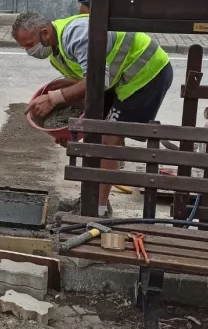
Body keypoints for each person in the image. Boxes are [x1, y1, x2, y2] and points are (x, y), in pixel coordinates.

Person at [12, 12, 172, 217]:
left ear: (45, 32)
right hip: (117, 79)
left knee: (107, 138)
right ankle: (91, 198)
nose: (29, 51)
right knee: (93, 133)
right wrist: (73, 130)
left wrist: (53, 98)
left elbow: (96, 81)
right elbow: (82, 86)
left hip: (145, 73)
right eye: (23, 47)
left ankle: (99, 209)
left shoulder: (77, 35)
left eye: (29, 44)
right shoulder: (56, 52)